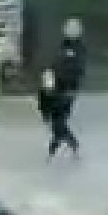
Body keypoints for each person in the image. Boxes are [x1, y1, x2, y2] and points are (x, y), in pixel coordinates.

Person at [38, 16, 86, 158]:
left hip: (69, 90)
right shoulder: (61, 47)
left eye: (74, 29)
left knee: (59, 122)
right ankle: (60, 146)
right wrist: (48, 75)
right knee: (56, 121)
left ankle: (63, 146)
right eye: (69, 29)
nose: (71, 32)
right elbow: (54, 64)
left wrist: (72, 86)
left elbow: (78, 70)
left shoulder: (80, 49)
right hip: (56, 88)